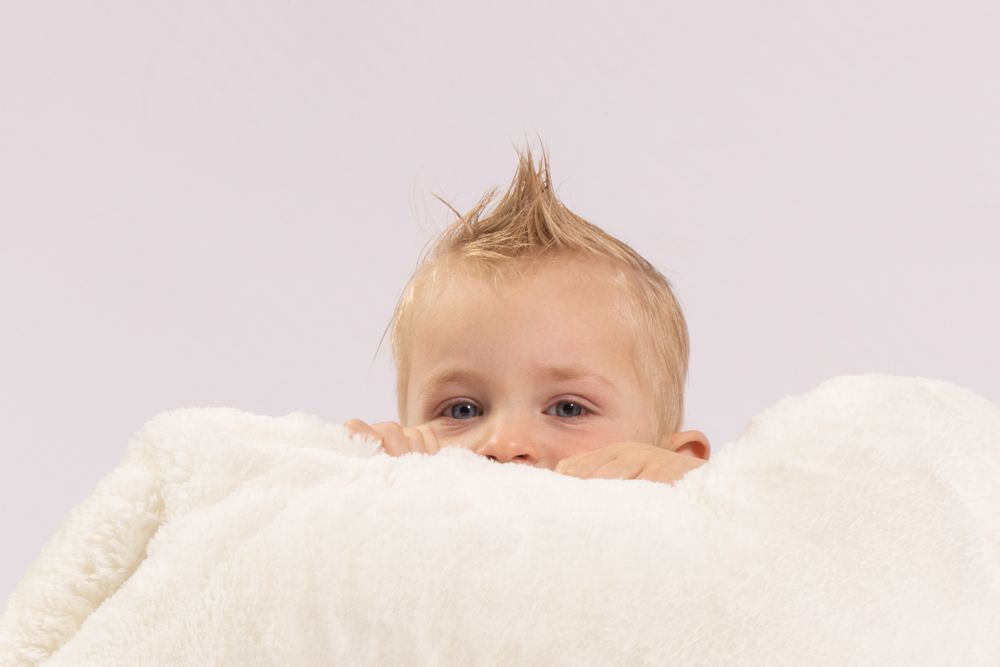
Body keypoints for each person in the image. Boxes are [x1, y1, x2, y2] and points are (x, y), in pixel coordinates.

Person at [345, 144, 710, 484]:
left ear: (673, 457)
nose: (504, 445)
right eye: (462, 410)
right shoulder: (400, 514)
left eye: (568, 409)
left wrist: (697, 489)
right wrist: (369, 479)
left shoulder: (691, 514)